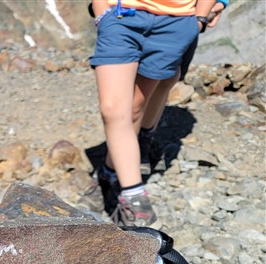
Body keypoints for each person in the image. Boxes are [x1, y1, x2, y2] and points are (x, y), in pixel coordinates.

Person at [90, 0, 216, 227]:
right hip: (121, 16)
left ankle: (108, 174)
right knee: (112, 109)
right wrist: (101, 12)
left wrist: (199, 19)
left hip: (175, 22)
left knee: (135, 107)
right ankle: (134, 200)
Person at [137, 0, 227, 175]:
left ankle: (144, 140)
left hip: (184, 15)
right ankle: (125, 153)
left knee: (167, 79)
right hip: (137, 13)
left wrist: (218, 3)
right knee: (139, 82)